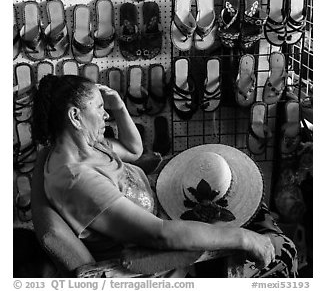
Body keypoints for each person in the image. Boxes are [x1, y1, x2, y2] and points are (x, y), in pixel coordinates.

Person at [31, 75, 297, 277]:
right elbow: (159, 235)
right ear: (75, 116)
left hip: (161, 209)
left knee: (248, 203)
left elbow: (134, 151)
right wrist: (242, 238)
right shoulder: (79, 181)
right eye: (99, 107)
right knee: (281, 248)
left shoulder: (84, 145)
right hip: (162, 252)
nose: (105, 114)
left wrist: (121, 107)